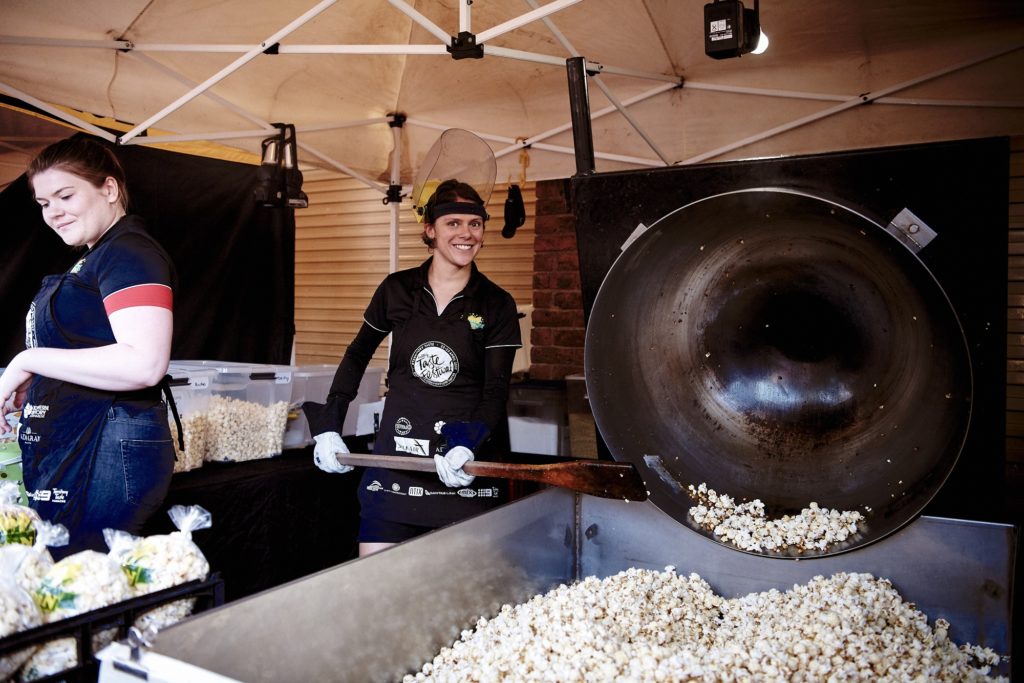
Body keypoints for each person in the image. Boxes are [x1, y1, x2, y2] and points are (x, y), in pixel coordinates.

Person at [304, 178, 522, 557]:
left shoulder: (496, 304)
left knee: (460, 592)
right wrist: (329, 424)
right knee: (377, 582)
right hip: (397, 457)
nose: (466, 234)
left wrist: (468, 444)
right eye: (453, 223)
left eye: (475, 224)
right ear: (430, 230)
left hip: (462, 464)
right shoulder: (397, 290)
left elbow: (496, 389)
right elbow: (357, 355)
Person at [0, 135, 177, 559]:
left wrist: (28, 360)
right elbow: (94, 350)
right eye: (44, 203)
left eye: (65, 195)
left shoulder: (130, 253)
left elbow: (145, 363)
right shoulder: (97, 256)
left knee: (88, 580)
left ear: (109, 189)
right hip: (82, 438)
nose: (54, 212)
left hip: (107, 445)